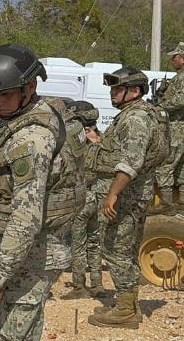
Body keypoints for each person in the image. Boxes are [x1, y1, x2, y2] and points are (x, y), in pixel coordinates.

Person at [0, 44, 78, 341]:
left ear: (29, 87)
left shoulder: (31, 139)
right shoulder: (25, 118)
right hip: (26, 252)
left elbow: (25, 219)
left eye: (4, 94)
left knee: (10, 335)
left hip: (32, 255)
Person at [87, 67, 166, 329]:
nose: (113, 93)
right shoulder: (133, 115)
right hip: (129, 194)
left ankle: (124, 311)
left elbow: (131, 161)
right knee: (126, 249)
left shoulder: (135, 119)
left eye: (118, 89)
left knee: (115, 249)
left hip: (125, 196)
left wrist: (112, 194)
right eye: (112, 89)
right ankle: (128, 305)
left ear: (135, 91)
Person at [62, 100, 107, 300]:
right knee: (95, 241)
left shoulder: (75, 140)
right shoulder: (103, 139)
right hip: (101, 197)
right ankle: (97, 284)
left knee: (78, 243)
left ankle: (79, 285)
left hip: (83, 198)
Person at [152, 41, 184, 215]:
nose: (173, 60)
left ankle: (166, 202)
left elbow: (180, 100)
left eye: (175, 57)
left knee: (166, 164)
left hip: (177, 128)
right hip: (180, 127)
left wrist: (159, 106)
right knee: (180, 166)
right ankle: (181, 202)